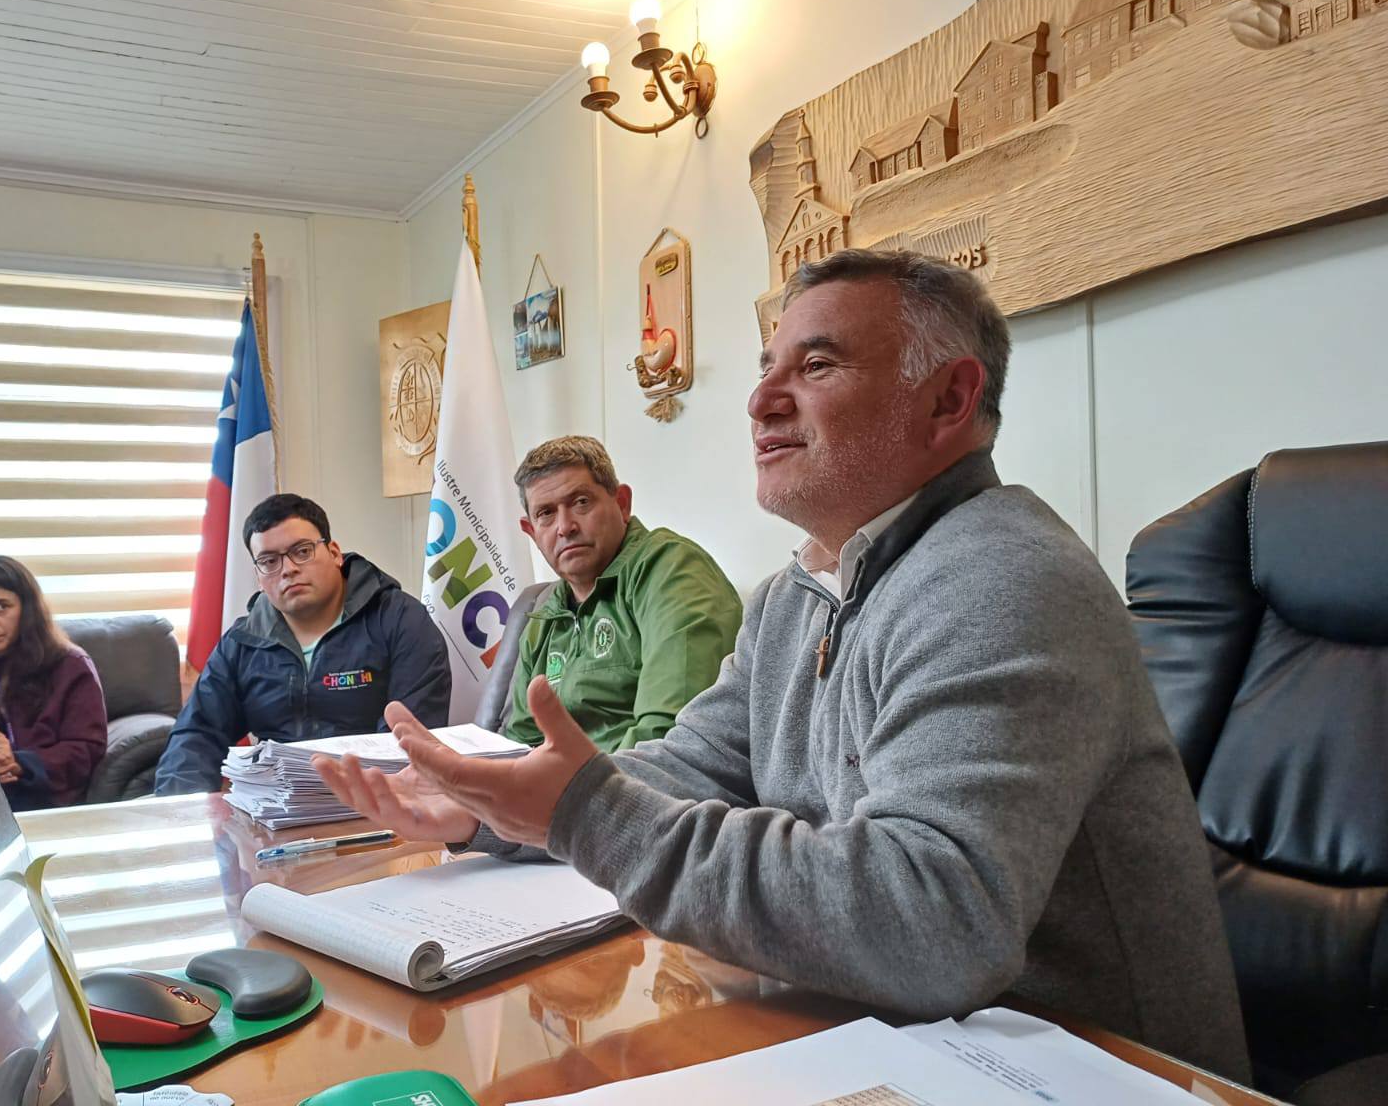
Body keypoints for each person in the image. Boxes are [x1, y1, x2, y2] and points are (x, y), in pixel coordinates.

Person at [315, 249, 1251, 1080]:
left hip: (1080, 1065)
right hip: (878, 1030)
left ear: (950, 399)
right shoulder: (795, 593)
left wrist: (582, 813)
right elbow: (684, 771)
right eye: (767, 367)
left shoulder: (1003, 578)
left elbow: (931, 920)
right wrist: (500, 804)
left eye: (818, 364)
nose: (761, 399)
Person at [154, 493, 450, 795]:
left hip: (381, 803)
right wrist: (182, 818)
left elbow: (413, 738)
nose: (288, 569)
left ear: (335, 553)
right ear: (258, 576)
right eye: (269, 561)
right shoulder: (243, 642)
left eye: (302, 551)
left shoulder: (400, 620)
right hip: (274, 805)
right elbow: (196, 737)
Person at [505, 436, 742, 751]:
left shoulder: (672, 569)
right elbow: (519, 744)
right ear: (532, 531)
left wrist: (567, 787)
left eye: (581, 502)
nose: (565, 526)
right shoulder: (544, 616)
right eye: (546, 513)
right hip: (554, 792)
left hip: (647, 791)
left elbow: (670, 735)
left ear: (621, 503)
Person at [0, 557, 107, 811]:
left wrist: (20, 762)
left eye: (1, 607)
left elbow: (87, 749)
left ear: (26, 610)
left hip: (46, 797)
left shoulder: (70, 665)